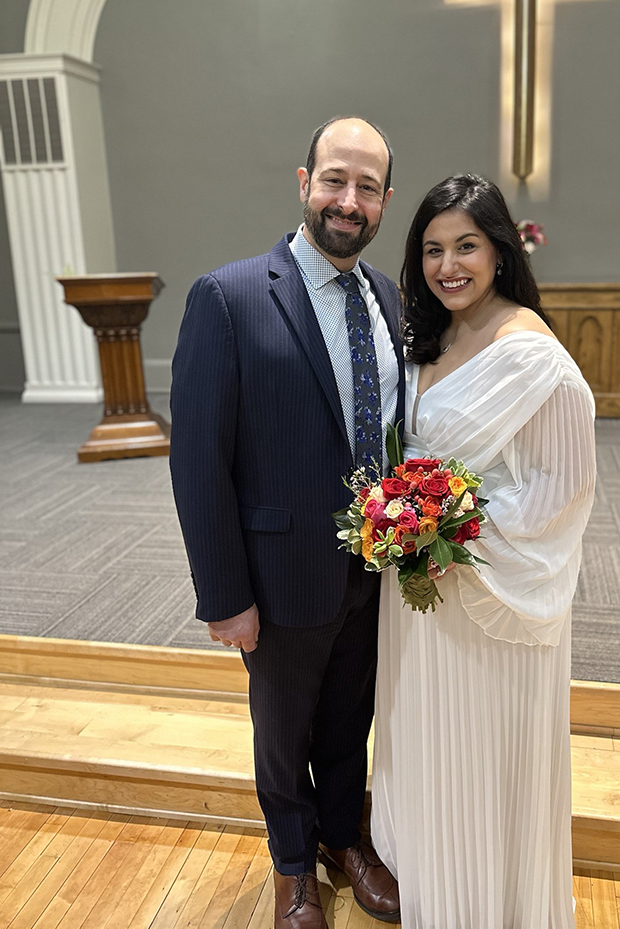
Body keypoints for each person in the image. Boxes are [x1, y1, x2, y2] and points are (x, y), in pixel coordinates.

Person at [170, 117, 404, 929]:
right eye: (335, 179)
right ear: (302, 181)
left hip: (374, 568)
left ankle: (347, 839)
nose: (349, 200)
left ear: (384, 201)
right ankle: (294, 866)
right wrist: (223, 595)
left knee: (350, 715)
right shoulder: (228, 297)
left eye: (366, 186)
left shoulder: (387, 294)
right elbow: (198, 463)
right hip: (275, 575)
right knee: (283, 729)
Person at [370, 173, 596, 929]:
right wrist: (405, 524)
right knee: (430, 748)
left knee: (484, 758)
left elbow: (561, 491)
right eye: (433, 249)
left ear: (500, 249)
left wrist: (451, 534)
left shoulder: (535, 356)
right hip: (419, 597)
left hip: (489, 600)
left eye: (466, 245)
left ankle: (490, 906)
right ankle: (435, 887)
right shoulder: (431, 332)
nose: (448, 265)